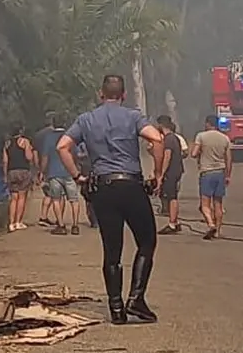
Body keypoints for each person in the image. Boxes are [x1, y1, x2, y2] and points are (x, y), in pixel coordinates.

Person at [56, 75, 165, 325]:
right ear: (124, 95)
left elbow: (62, 146)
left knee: (112, 249)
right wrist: (157, 174)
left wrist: (78, 177)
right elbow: (157, 139)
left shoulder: (86, 119)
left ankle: (116, 308)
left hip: (103, 188)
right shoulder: (133, 116)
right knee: (146, 241)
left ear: (100, 94)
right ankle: (136, 298)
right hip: (131, 185)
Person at [191, 115, 232, 240]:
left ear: (207, 124)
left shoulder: (201, 136)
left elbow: (193, 154)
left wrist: (200, 150)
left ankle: (210, 224)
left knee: (204, 204)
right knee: (218, 204)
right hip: (220, 173)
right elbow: (229, 159)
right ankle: (218, 231)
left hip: (207, 173)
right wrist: (228, 175)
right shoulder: (225, 138)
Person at [41, 117, 83, 235]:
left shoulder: (48, 138)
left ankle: (61, 225)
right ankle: (75, 225)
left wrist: (42, 171)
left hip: (53, 172)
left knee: (56, 199)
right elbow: (77, 154)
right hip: (69, 172)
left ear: (53, 124)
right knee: (74, 200)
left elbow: (45, 157)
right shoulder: (69, 137)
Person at [2, 125, 37, 232]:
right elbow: (29, 157)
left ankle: (11, 223)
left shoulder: (7, 144)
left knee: (14, 198)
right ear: (21, 131)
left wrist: (5, 175)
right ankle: (18, 222)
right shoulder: (25, 141)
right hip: (23, 171)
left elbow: (5, 161)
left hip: (11, 172)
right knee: (22, 197)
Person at [154, 116, 185, 235]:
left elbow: (167, 156)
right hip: (177, 170)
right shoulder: (174, 138)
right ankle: (175, 222)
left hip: (171, 172)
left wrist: (161, 174)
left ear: (161, 125)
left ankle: (172, 223)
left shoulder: (169, 139)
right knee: (172, 196)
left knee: (171, 197)